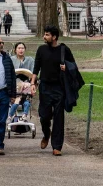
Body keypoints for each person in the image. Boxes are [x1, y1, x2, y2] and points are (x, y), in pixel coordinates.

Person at [31, 25, 75, 156]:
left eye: (47, 35)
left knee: (58, 117)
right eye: (44, 34)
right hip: (44, 86)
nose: (44, 37)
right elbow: (36, 68)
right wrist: (33, 83)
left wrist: (65, 67)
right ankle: (46, 134)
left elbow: (73, 66)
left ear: (54, 37)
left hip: (59, 87)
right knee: (44, 116)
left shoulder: (64, 50)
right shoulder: (41, 49)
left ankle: (57, 146)